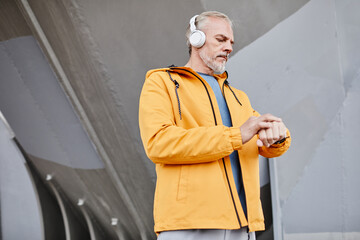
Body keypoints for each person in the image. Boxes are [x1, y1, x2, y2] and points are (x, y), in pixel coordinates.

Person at [139, 11, 291, 240]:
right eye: (221, 39)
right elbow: (158, 143)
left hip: (241, 226)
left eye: (231, 42)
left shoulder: (238, 97)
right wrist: (237, 135)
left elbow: (264, 143)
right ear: (195, 39)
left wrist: (278, 136)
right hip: (189, 224)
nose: (229, 47)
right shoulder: (161, 83)